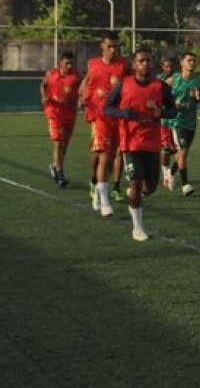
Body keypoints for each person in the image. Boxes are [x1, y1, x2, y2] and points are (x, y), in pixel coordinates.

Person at [105, 48, 177, 241]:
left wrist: (160, 112)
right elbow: (107, 107)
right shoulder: (124, 84)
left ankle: (135, 193)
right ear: (134, 64)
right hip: (131, 143)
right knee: (136, 182)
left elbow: (173, 111)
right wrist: (123, 114)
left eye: (148, 60)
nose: (145, 64)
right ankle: (137, 228)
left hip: (152, 143)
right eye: (141, 60)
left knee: (150, 187)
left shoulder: (161, 87)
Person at [79, 31, 128, 217]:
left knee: (111, 157)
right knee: (104, 157)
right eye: (110, 46)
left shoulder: (124, 65)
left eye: (116, 46)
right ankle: (105, 201)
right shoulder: (93, 64)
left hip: (118, 117)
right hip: (100, 116)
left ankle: (98, 188)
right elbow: (86, 81)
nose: (113, 50)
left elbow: (132, 82)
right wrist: (82, 96)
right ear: (102, 46)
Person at [41, 51, 81, 188]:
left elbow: (83, 88)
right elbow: (43, 85)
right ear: (60, 63)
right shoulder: (51, 74)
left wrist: (81, 98)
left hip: (70, 113)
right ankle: (59, 173)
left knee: (65, 145)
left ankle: (55, 166)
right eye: (67, 63)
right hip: (54, 112)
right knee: (58, 142)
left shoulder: (76, 76)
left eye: (72, 63)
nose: (70, 66)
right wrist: (44, 96)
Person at [168, 52, 200, 195]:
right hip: (177, 122)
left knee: (183, 154)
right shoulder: (174, 79)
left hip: (191, 122)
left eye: (194, 60)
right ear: (182, 63)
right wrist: (172, 104)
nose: (192, 63)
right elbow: (161, 93)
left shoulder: (199, 80)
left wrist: (198, 96)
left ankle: (169, 175)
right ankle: (186, 185)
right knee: (182, 152)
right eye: (189, 60)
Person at [157, 56, 178, 190]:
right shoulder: (158, 79)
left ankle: (170, 174)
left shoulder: (178, 77)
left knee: (178, 150)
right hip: (164, 119)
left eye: (171, 66)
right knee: (165, 147)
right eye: (166, 66)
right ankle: (166, 174)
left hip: (177, 118)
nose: (169, 69)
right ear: (162, 67)